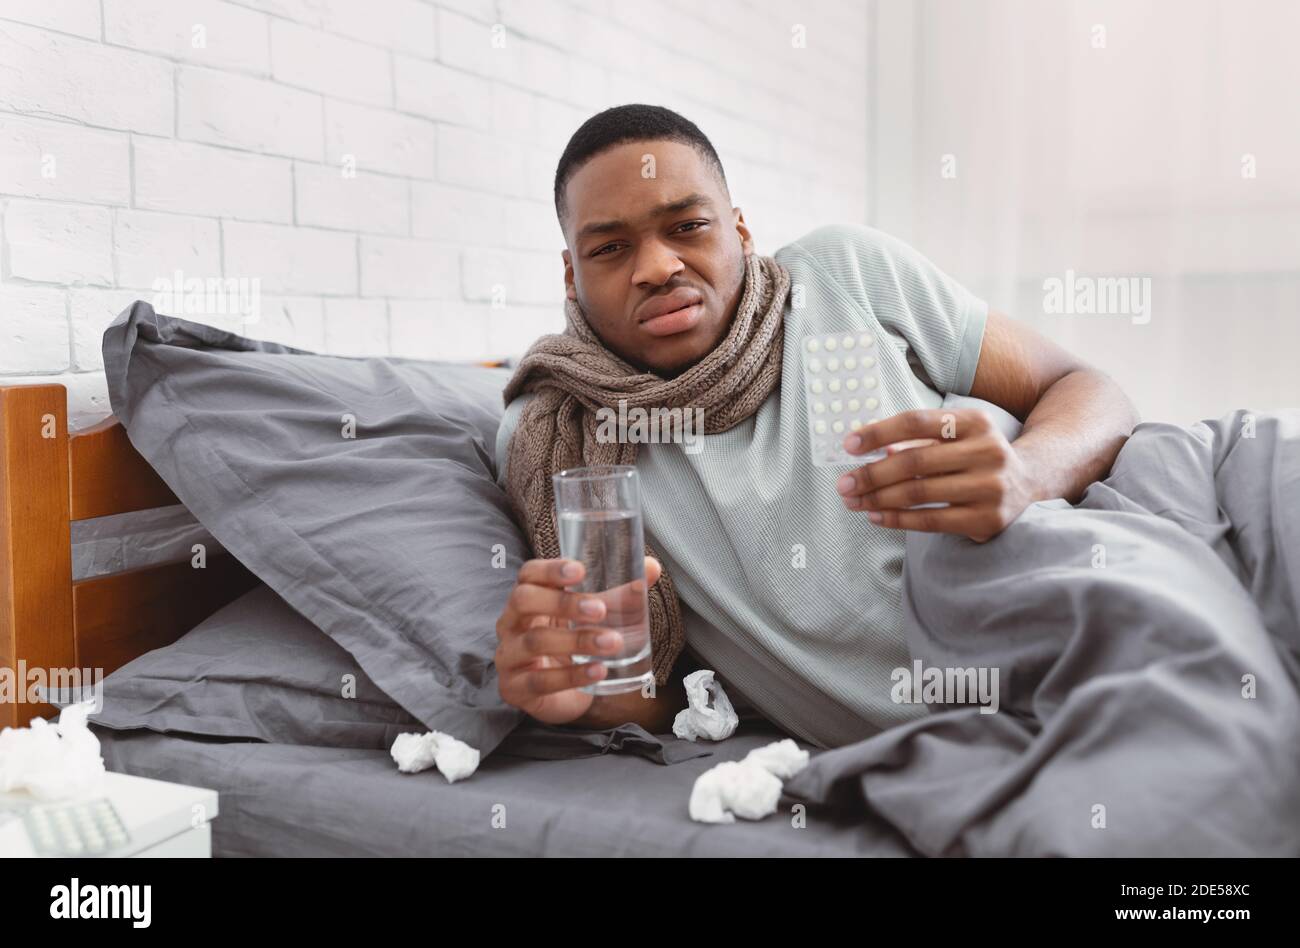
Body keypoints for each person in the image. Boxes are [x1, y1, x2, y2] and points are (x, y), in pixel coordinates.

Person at [492, 104, 1138, 748]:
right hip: (970, 745)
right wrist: (571, 697)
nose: (658, 267)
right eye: (610, 248)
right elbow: (658, 696)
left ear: (740, 231)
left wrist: (1026, 472)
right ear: (572, 277)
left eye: (688, 225)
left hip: (1103, 613)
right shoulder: (554, 438)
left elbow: (1090, 390)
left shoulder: (844, 271)